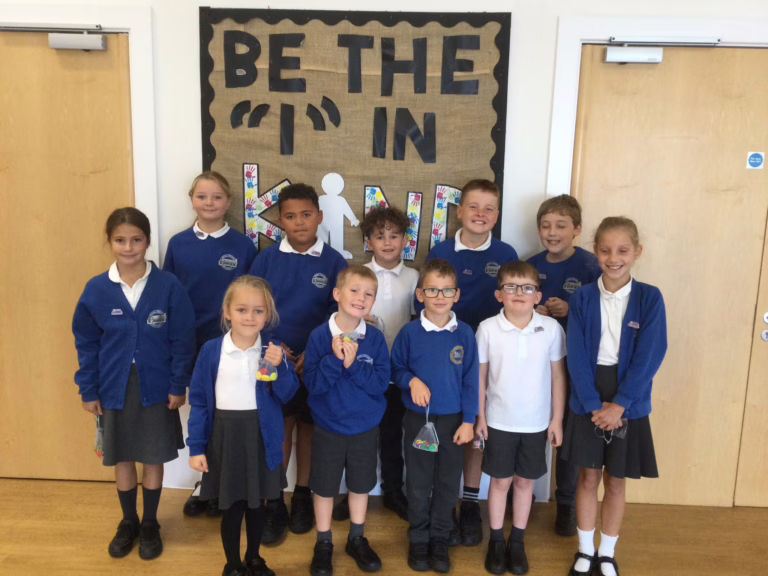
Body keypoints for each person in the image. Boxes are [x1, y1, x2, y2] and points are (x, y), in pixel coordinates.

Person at [72, 207, 195, 560]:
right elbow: (87, 344)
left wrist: (178, 384)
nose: (128, 248)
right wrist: (89, 389)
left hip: (157, 386)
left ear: (148, 241)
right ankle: (129, 521)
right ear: (110, 242)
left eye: (136, 240)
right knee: (123, 456)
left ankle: (151, 523)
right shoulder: (96, 289)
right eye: (120, 240)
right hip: (114, 387)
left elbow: (182, 340)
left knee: (153, 456)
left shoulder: (168, 286)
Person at [563, 217, 667, 576]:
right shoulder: (582, 297)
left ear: (637, 252)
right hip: (588, 395)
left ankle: (606, 553)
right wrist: (594, 405)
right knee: (588, 478)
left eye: (623, 250)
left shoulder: (650, 298)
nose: (614, 258)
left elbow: (650, 355)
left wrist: (620, 404)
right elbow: (576, 355)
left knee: (616, 480)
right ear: (596, 252)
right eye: (605, 250)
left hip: (629, 398)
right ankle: (585, 551)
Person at [421, 179, 518, 546]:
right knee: (449, 428)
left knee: (478, 427)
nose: (480, 214)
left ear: (497, 215)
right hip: (450, 355)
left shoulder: (506, 253)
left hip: (492, 356)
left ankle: (471, 503)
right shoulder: (442, 250)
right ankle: (443, 502)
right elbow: (429, 301)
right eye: (473, 207)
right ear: (459, 211)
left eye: (489, 208)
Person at [248, 183, 348, 542]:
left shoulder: (334, 262)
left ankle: (302, 494)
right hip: (274, 360)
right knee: (279, 427)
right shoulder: (266, 260)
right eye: (290, 216)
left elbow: (340, 314)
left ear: (319, 217)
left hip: (315, 362)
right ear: (280, 221)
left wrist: (315, 352)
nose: (300, 222)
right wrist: (273, 347)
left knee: (308, 426)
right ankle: (275, 499)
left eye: (306, 215)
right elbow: (253, 307)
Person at [187, 276, 299, 576]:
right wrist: (196, 447)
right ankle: (233, 565)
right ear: (227, 311)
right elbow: (199, 402)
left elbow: (288, 395)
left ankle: (254, 558)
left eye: (258, 311)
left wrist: (280, 368)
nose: (250, 317)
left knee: (257, 504)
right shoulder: (212, 351)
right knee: (232, 506)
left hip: (261, 437)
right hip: (226, 437)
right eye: (241, 310)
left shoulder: (272, 351)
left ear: (268, 314)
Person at [164, 171, 257, 517]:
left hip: (231, 345)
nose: (209, 203)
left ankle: (225, 486)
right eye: (202, 196)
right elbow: (169, 296)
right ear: (192, 200)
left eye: (217, 197)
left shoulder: (243, 246)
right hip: (190, 344)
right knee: (202, 412)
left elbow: (253, 299)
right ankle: (205, 482)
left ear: (228, 202)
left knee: (229, 414)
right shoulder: (178, 244)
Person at [475, 261, 566, 574]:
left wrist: (556, 420)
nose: (519, 293)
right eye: (511, 287)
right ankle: (496, 540)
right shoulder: (487, 329)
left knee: (525, 482)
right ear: (499, 294)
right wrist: (480, 417)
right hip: (498, 421)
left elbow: (558, 377)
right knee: (500, 482)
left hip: (536, 423)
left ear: (537, 296)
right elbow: (480, 377)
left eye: (527, 288)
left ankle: (518, 541)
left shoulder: (551, 329)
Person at [392, 259, 478, 573]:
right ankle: (419, 537)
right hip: (419, 421)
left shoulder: (465, 333)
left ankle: (441, 537)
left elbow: (471, 380)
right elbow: (396, 369)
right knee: (418, 482)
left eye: (447, 290)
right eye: (432, 290)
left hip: (454, 423)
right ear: (420, 295)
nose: (440, 297)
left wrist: (469, 421)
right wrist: (411, 381)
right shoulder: (409, 333)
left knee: (447, 482)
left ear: (457, 294)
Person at [304, 266, 391, 576]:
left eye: (369, 294)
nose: (361, 298)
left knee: (360, 486)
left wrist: (353, 365)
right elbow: (313, 385)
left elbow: (380, 384)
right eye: (354, 290)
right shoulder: (319, 336)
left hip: (364, 428)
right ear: (337, 294)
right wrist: (335, 359)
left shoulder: (376, 339)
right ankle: (324, 542)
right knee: (324, 488)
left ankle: (357, 538)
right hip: (328, 428)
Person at [332, 207, 417, 523]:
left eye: (394, 236)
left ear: (405, 241)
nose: (388, 242)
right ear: (369, 242)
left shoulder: (414, 277)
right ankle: (355, 493)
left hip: (399, 372)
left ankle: (394, 492)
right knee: (360, 437)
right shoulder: (359, 277)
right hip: (362, 371)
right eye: (380, 236)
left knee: (393, 436)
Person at [526, 194, 601, 535]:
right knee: (528, 426)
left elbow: (605, 314)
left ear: (577, 230)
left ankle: (566, 503)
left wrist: (571, 310)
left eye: (560, 226)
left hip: (574, 365)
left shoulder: (591, 266)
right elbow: (514, 305)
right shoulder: (530, 264)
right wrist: (533, 311)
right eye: (545, 226)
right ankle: (522, 492)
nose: (552, 232)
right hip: (533, 363)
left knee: (568, 433)